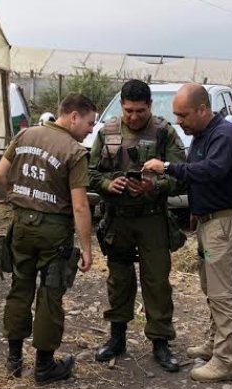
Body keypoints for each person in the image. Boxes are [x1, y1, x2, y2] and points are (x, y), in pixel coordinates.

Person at [143, 83, 232, 382]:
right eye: (176, 115)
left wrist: (166, 167)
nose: (179, 121)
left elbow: (211, 171)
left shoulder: (225, 136)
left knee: (223, 293)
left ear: (203, 110)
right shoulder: (203, 134)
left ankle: (226, 361)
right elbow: (203, 177)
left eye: (183, 115)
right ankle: (216, 342)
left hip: (226, 225)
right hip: (210, 222)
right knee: (211, 288)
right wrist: (196, 211)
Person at [0, 93, 96, 385]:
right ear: (73, 116)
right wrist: (87, 248)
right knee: (50, 294)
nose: (90, 129)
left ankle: (13, 360)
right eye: (89, 123)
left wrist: (18, 199)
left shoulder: (24, 136)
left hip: (22, 226)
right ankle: (44, 366)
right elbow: (79, 206)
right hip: (53, 231)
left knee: (19, 288)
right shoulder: (74, 152)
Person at [88, 79, 188, 373]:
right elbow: (89, 173)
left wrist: (154, 186)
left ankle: (160, 342)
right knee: (119, 280)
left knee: (156, 281)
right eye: (128, 110)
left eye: (140, 111)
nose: (133, 117)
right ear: (121, 106)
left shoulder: (164, 132)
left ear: (150, 106)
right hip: (117, 219)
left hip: (152, 218)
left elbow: (181, 175)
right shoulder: (106, 133)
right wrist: (109, 183)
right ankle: (117, 338)